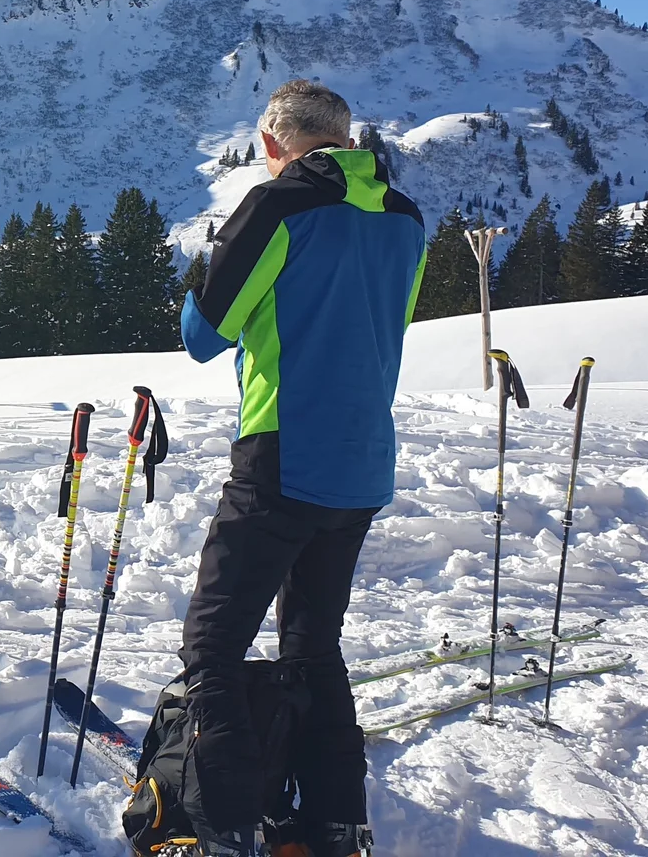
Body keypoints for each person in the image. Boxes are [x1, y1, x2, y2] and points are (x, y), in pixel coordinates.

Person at [138, 81, 426, 856]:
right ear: (345, 135)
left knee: (213, 647)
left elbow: (203, 334)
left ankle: (222, 826)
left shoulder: (279, 206)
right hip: (363, 458)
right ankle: (336, 825)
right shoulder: (404, 216)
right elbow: (382, 322)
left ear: (274, 143)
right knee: (312, 645)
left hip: (282, 453)